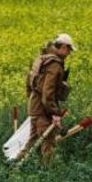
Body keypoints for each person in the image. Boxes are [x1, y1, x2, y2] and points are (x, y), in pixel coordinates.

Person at [23, 33, 76, 165]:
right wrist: (54, 113)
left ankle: (14, 165)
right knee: (48, 142)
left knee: (33, 140)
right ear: (63, 47)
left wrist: (32, 99)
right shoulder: (55, 65)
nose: (69, 53)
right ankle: (47, 174)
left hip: (35, 106)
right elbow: (48, 93)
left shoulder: (42, 58)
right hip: (42, 109)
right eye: (69, 49)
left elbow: (28, 82)